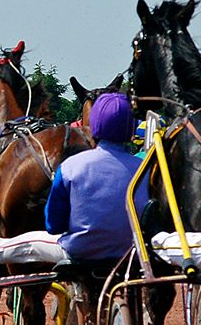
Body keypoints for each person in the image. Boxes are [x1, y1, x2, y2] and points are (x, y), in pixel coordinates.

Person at [42, 93, 146, 263]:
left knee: (20, 246)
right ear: (132, 127)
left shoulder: (69, 166)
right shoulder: (146, 168)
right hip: (135, 252)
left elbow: (53, 225)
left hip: (79, 251)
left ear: (95, 123)